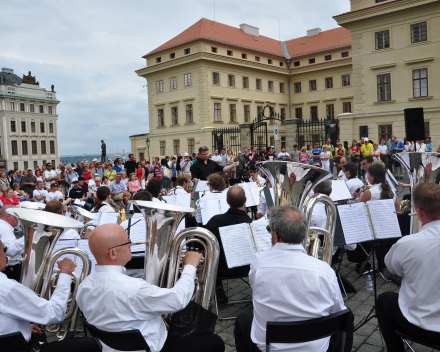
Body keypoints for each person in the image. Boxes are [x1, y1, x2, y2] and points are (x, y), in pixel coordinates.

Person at [76, 224, 224, 352]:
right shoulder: (134, 289)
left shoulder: (83, 287)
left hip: (111, 347)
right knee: (215, 342)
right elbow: (178, 300)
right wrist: (190, 267)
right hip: (155, 348)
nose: (131, 245)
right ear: (112, 253)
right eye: (127, 242)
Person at [234, 205, 353, 352]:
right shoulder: (324, 271)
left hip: (268, 348)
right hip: (317, 349)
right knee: (347, 315)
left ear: (275, 235)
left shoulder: (258, 263)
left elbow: (256, 288)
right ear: (303, 235)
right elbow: (337, 311)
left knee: (243, 319)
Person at [0, 239, 100, 352]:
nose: (6, 254)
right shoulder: (6, 287)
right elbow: (54, 313)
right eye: (4, 249)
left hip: (9, 341)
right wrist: (65, 273)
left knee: (41, 334)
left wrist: (22, 327)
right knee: (96, 344)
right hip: (16, 348)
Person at [377, 183, 440, 351]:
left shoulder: (406, 244)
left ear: (419, 211)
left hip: (417, 325)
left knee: (384, 300)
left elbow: (393, 269)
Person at [205, 185, 252, 303]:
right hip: (247, 268)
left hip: (220, 270)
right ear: (245, 200)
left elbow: (205, 246)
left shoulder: (215, 221)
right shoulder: (251, 224)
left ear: (227, 201)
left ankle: (218, 288)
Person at [0, 205, 23, 281]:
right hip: (11, 269)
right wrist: (28, 236)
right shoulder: (5, 228)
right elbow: (10, 250)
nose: (18, 219)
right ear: (9, 216)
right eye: (16, 216)